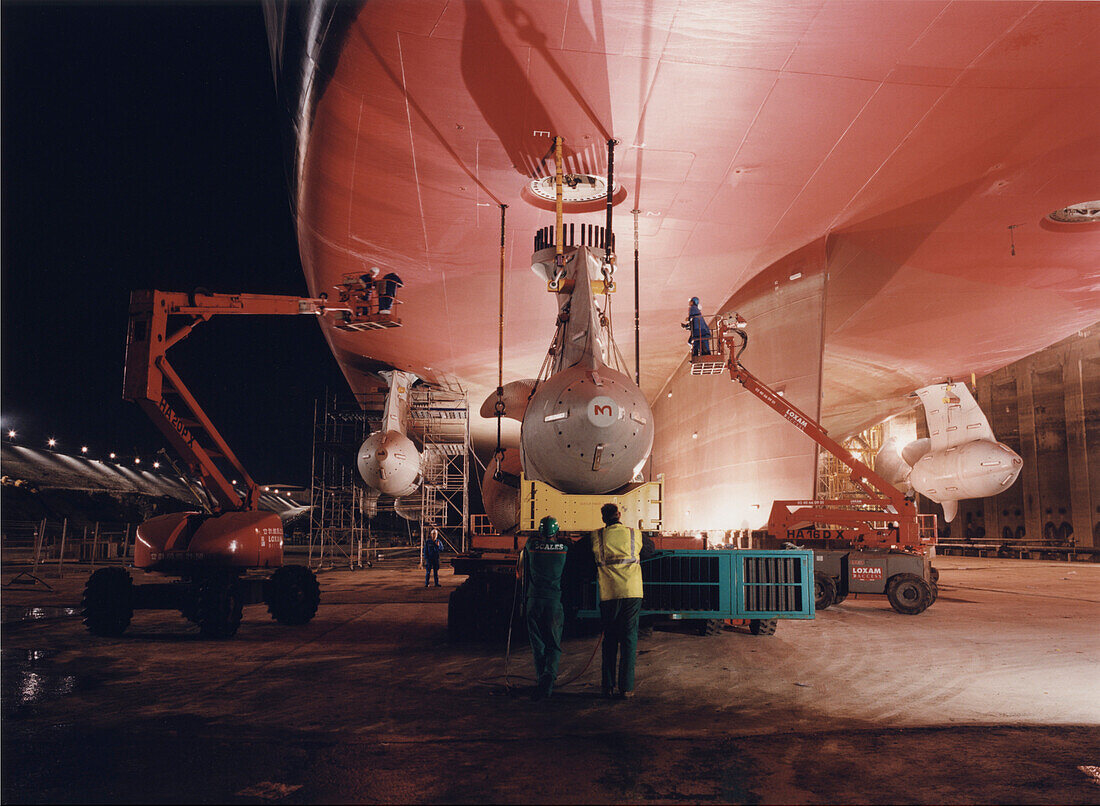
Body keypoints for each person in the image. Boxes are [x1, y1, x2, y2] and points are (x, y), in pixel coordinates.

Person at [590, 503, 649, 700]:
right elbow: (649, 549)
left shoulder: (597, 536)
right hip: (632, 592)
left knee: (610, 641)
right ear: (619, 514)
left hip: (609, 594)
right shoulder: (635, 534)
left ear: (603, 518)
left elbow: (581, 553)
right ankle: (627, 689)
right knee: (629, 639)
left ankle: (607, 687)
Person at [521, 516, 570, 700]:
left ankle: (541, 679)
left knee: (538, 644)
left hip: (533, 602)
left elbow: (527, 542)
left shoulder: (531, 547)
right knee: (553, 644)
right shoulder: (563, 550)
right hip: (552, 602)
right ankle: (548, 678)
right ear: (556, 532)